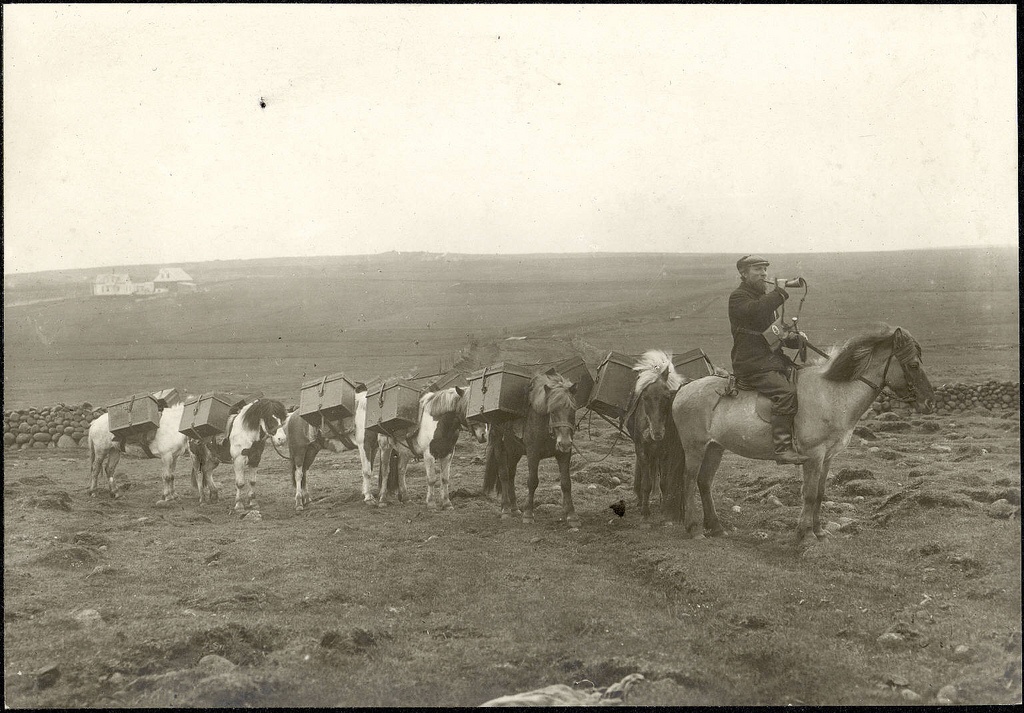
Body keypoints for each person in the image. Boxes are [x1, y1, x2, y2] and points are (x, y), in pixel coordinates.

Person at [729, 255, 808, 465]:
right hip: (752, 363)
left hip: (770, 360)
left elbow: (773, 335)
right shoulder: (739, 298)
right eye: (757, 269)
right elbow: (755, 311)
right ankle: (782, 449)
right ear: (743, 274)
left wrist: (795, 340)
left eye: (765, 270)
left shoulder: (765, 301)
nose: (763, 274)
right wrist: (780, 293)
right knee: (786, 392)